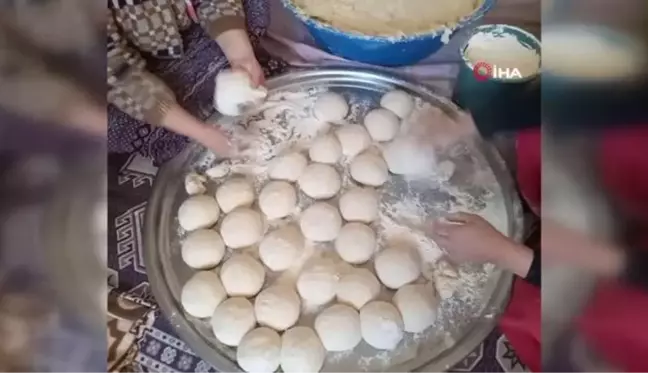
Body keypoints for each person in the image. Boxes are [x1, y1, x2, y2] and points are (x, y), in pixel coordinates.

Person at [107, 0, 286, 165]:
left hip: (193, 34)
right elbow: (119, 74)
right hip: (127, 74)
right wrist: (199, 132)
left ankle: (210, 84)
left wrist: (241, 56)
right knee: (112, 125)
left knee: (257, 7)